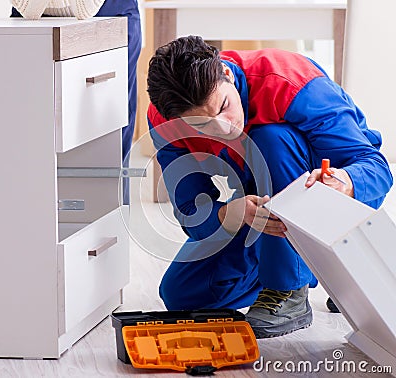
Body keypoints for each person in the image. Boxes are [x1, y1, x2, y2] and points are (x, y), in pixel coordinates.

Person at [146, 35, 393, 338]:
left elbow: (377, 170)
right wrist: (231, 213)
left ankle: (287, 288)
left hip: (331, 198)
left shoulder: (291, 81)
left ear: (226, 73)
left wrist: (344, 182)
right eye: (203, 125)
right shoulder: (166, 122)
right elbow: (190, 210)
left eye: (224, 106)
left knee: (270, 140)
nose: (224, 128)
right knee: (182, 294)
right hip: (263, 209)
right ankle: (317, 269)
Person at [11, 0, 142, 204]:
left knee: (109, 135)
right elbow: (30, 10)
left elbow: (85, 9)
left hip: (109, 16)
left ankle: (111, 226)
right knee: (29, 135)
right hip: (31, 23)